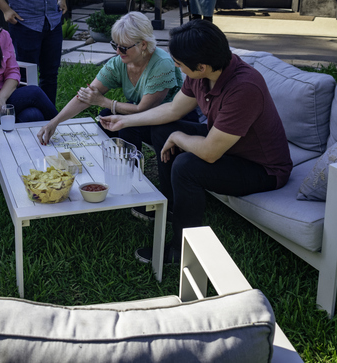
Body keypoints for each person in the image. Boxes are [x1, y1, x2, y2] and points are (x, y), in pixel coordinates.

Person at [100, 20, 292, 264]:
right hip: (227, 145)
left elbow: (210, 153)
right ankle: (172, 207)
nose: (178, 69)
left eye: (180, 65)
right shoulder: (204, 72)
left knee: (186, 167)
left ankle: (181, 251)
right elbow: (173, 110)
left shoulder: (245, 88)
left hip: (261, 168)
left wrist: (180, 137)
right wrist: (125, 121)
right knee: (162, 130)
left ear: (201, 66)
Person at [37, 12, 182, 150]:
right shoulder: (119, 62)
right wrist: (54, 123)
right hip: (146, 115)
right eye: (115, 45)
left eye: (124, 48)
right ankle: (116, 161)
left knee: (125, 124)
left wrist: (103, 101)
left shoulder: (161, 64)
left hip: (172, 120)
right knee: (106, 118)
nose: (118, 52)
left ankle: (131, 169)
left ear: (143, 44)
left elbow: (143, 109)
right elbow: (87, 96)